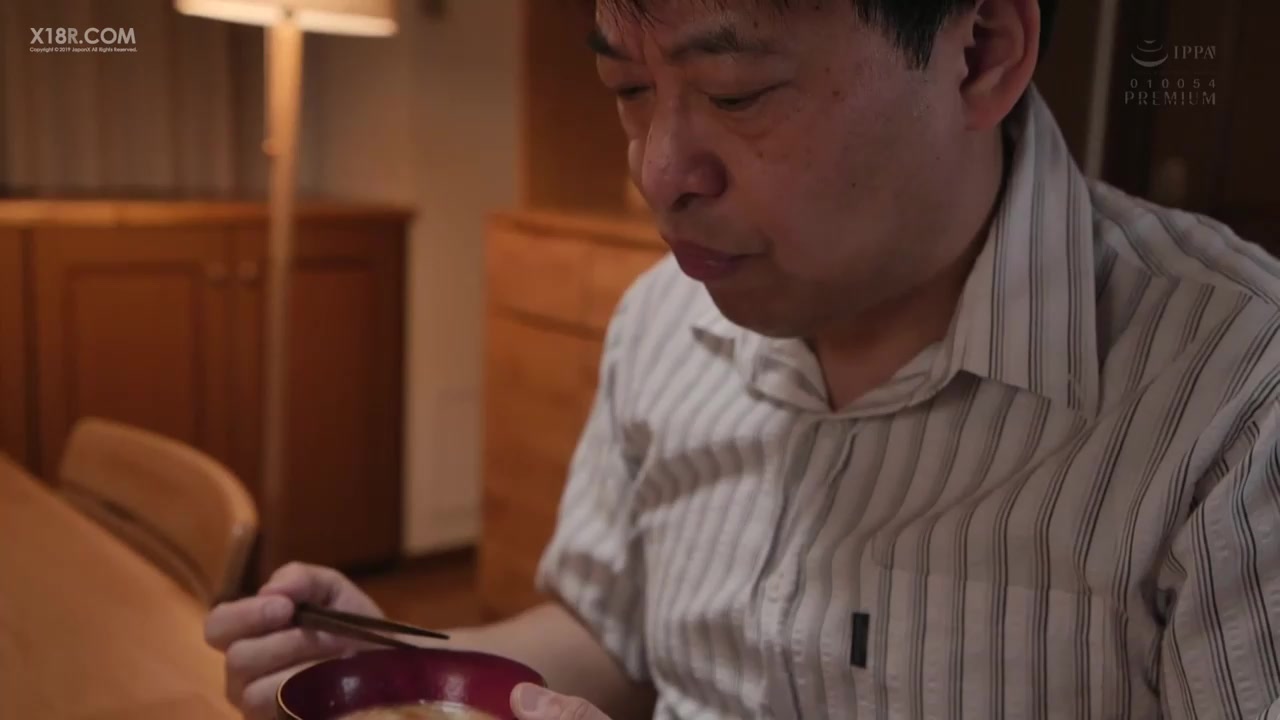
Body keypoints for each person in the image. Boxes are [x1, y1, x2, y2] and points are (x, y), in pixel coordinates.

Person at [205, 0, 1280, 718]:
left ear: (979, 52)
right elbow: (608, 636)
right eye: (628, 89)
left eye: (734, 93)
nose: (657, 172)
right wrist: (405, 665)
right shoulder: (664, 317)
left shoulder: (1237, 396)